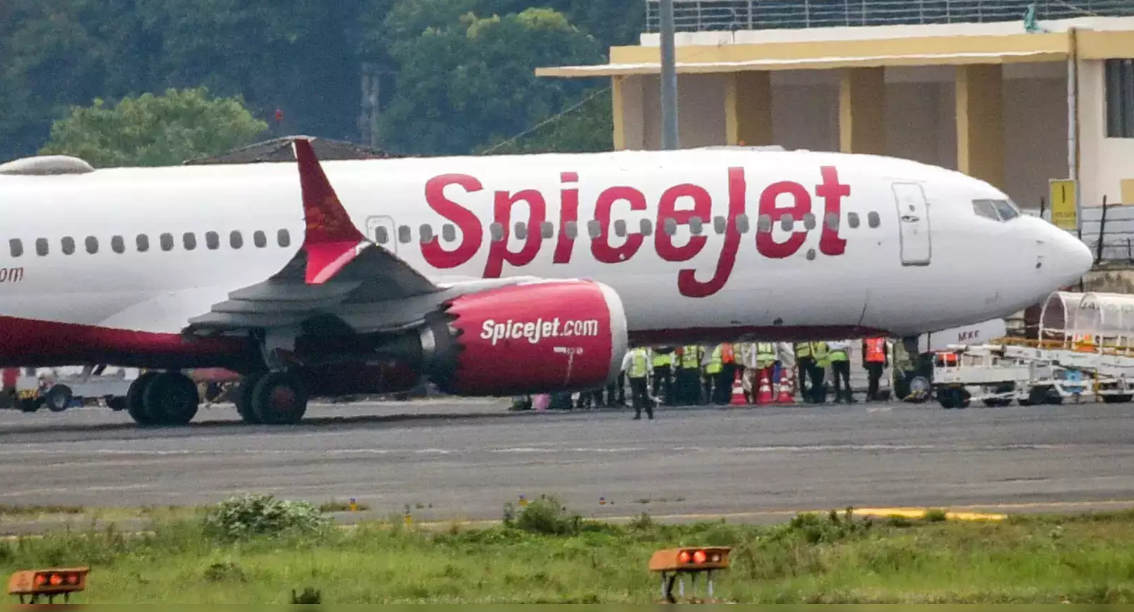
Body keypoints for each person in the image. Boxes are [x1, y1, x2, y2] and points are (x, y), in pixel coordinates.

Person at [623, 346, 654, 419]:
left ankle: (638, 413)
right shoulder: (643, 353)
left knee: (636, 395)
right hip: (643, 376)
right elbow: (649, 367)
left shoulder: (629, 354)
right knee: (645, 395)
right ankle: (650, 413)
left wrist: (626, 371)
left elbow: (623, 366)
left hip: (633, 377)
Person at [862, 337, 889, 401]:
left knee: (877, 376)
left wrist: (886, 359)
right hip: (871, 360)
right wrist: (864, 360)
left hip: (879, 359)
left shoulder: (882, 338)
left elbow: (885, 348)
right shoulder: (867, 337)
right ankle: (871, 394)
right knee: (872, 377)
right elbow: (864, 348)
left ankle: (873, 394)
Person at [827, 339, 853, 403]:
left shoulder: (831, 339)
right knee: (846, 379)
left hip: (834, 358)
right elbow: (848, 345)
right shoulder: (845, 338)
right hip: (844, 357)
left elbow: (828, 344)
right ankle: (848, 396)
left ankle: (838, 397)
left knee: (836, 379)